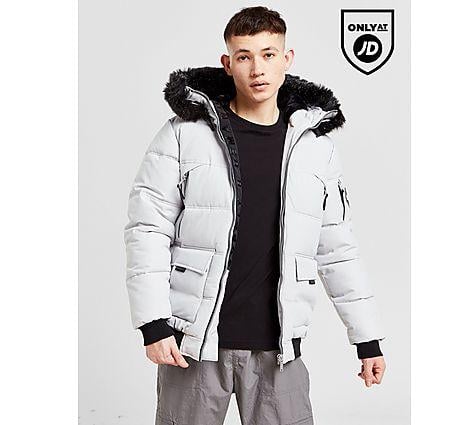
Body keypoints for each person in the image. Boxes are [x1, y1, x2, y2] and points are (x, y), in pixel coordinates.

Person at [124, 6, 387, 425]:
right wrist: (153, 323)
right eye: (244, 56)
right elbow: (148, 229)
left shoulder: (315, 149)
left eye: (268, 54)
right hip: (194, 344)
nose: (257, 69)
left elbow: (338, 249)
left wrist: (367, 338)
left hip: (279, 348)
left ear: (287, 59)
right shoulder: (183, 135)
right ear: (227, 64)